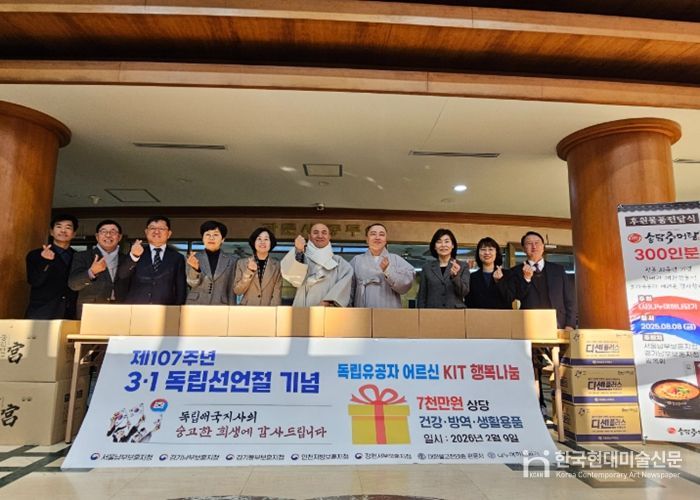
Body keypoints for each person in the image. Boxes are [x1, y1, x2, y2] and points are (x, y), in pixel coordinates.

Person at [508, 231, 576, 330]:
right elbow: (516, 296)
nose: (534, 246)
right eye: (529, 243)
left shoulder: (558, 270)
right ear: (523, 249)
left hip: (558, 322)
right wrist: (526, 279)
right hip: (529, 324)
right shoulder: (515, 271)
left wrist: (570, 324)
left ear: (543, 247)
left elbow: (569, 299)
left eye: (537, 243)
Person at [68, 219, 131, 318]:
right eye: (103, 231)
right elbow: (73, 284)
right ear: (97, 236)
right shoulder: (82, 256)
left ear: (119, 237)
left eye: (113, 232)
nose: (108, 235)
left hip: (120, 309)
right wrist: (91, 272)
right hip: (91, 309)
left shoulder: (126, 259)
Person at [281, 223, 353, 307]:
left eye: (324, 233)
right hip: (302, 306)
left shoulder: (339, 263)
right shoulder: (301, 256)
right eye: (315, 232)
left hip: (328, 309)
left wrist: (328, 302)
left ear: (329, 236)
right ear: (309, 236)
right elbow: (293, 278)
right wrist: (299, 251)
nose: (320, 236)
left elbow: (343, 286)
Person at [119, 216, 187, 305]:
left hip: (165, 308)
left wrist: (178, 308)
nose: (156, 231)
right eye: (152, 228)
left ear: (169, 233)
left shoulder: (177, 257)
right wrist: (134, 256)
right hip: (137, 307)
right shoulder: (136, 251)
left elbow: (181, 288)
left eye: (161, 228)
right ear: (146, 232)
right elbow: (122, 275)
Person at [25, 213, 79, 319]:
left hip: (69, 312)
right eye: (59, 227)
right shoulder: (36, 254)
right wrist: (46, 261)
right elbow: (35, 281)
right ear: (51, 232)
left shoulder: (78, 257)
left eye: (68, 227)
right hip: (42, 312)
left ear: (74, 234)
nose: (63, 230)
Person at [350, 223, 415, 308]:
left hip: (389, 310)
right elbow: (349, 290)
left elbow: (405, 286)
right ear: (367, 239)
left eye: (381, 234)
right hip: (362, 311)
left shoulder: (396, 259)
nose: (377, 237)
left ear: (385, 240)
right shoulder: (356, 260)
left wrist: (388, 271)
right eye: (373, 234)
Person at [185, 220, 236, 305]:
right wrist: (195, 269)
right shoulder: (193, 258)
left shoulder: (232, 260)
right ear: (202, 238)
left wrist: (232, 308)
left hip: (221, 305)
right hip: (196, 304)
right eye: (208, 234)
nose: (211, 238)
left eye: (215, 235)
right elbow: (192, 283)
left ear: (222, 239)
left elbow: (231, 288)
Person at [417, 228, 470, 308]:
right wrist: (421, 313)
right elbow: (422, 296)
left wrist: (455, 277)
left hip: (455, 312)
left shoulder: (463, 266)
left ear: (453, 245)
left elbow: (464, 292)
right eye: (439, 242)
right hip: (432, 312)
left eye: (447, 241)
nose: (443, 245)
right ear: (434, 246)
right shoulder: (427, 268)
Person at [233, 227, 282, 305]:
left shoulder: (277, 265)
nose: (262, 242)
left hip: (268, 309)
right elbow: (238, 291)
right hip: (247, 308)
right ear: (254, 242)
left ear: (271, 243)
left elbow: (277, 293)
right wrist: (249, 271)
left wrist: (273, 311)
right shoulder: (242, 263)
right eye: (259, 239)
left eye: (266, 239)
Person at [465, 237, 512, 309]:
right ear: (478, 253)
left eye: (490, 249)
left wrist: (500, 281)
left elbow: (510, 298)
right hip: (478, 315)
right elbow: (468, 303)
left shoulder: (507, 274)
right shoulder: (472, 277)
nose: (487, 253)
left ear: (496, 252)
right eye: (483, 249)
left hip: (502, 315)